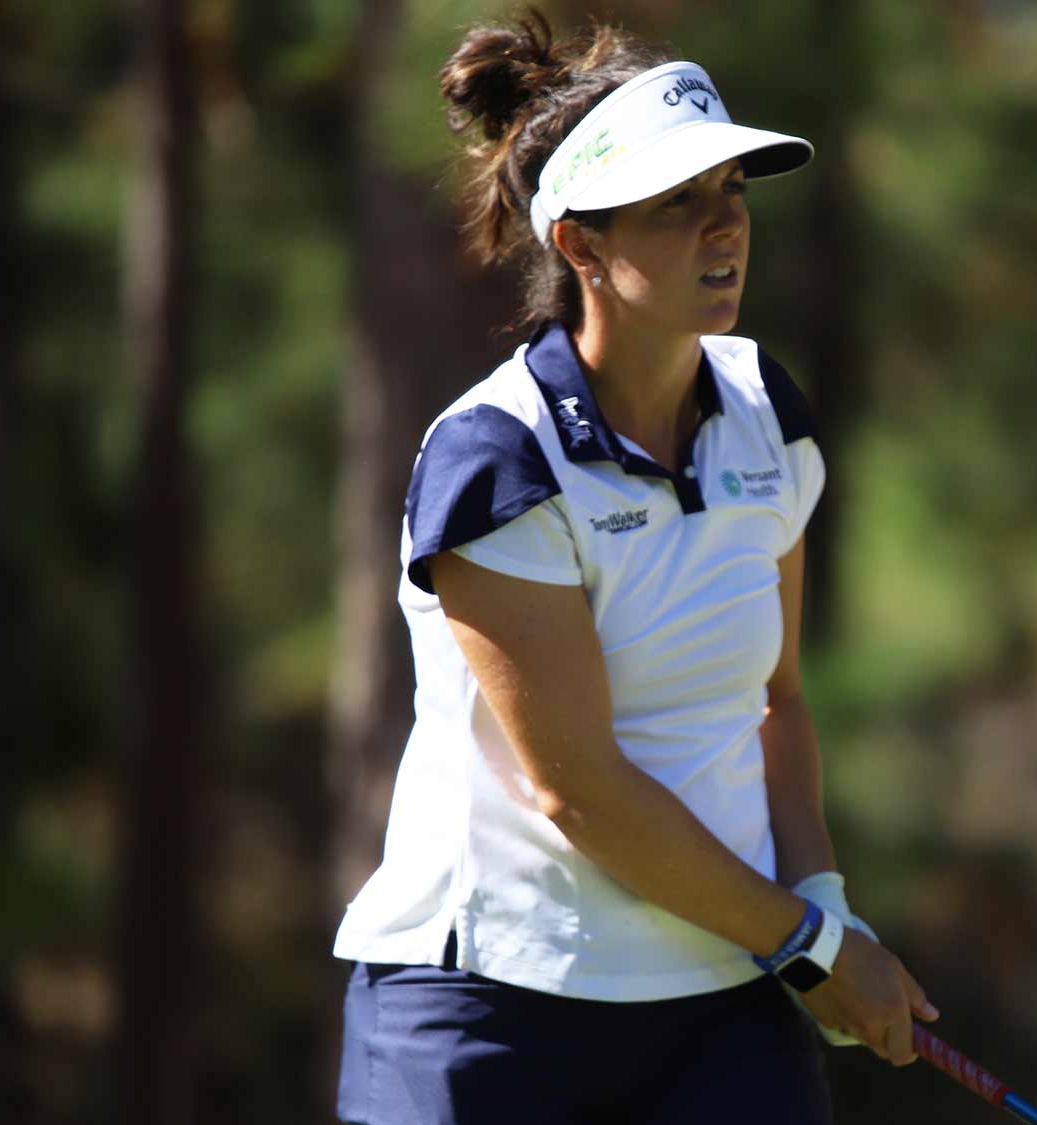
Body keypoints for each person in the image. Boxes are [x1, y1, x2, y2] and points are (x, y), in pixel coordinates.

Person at [332, 12, 937, 1123]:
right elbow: (579, 789)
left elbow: (777, 702)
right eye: (677, 204)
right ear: (580, 246)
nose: (724, 229)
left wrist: (823, 906)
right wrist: (809, 947)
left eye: (733, 195)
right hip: (491, 1012)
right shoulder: (498, 457)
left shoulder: (765, 410)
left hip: (721, 1002)